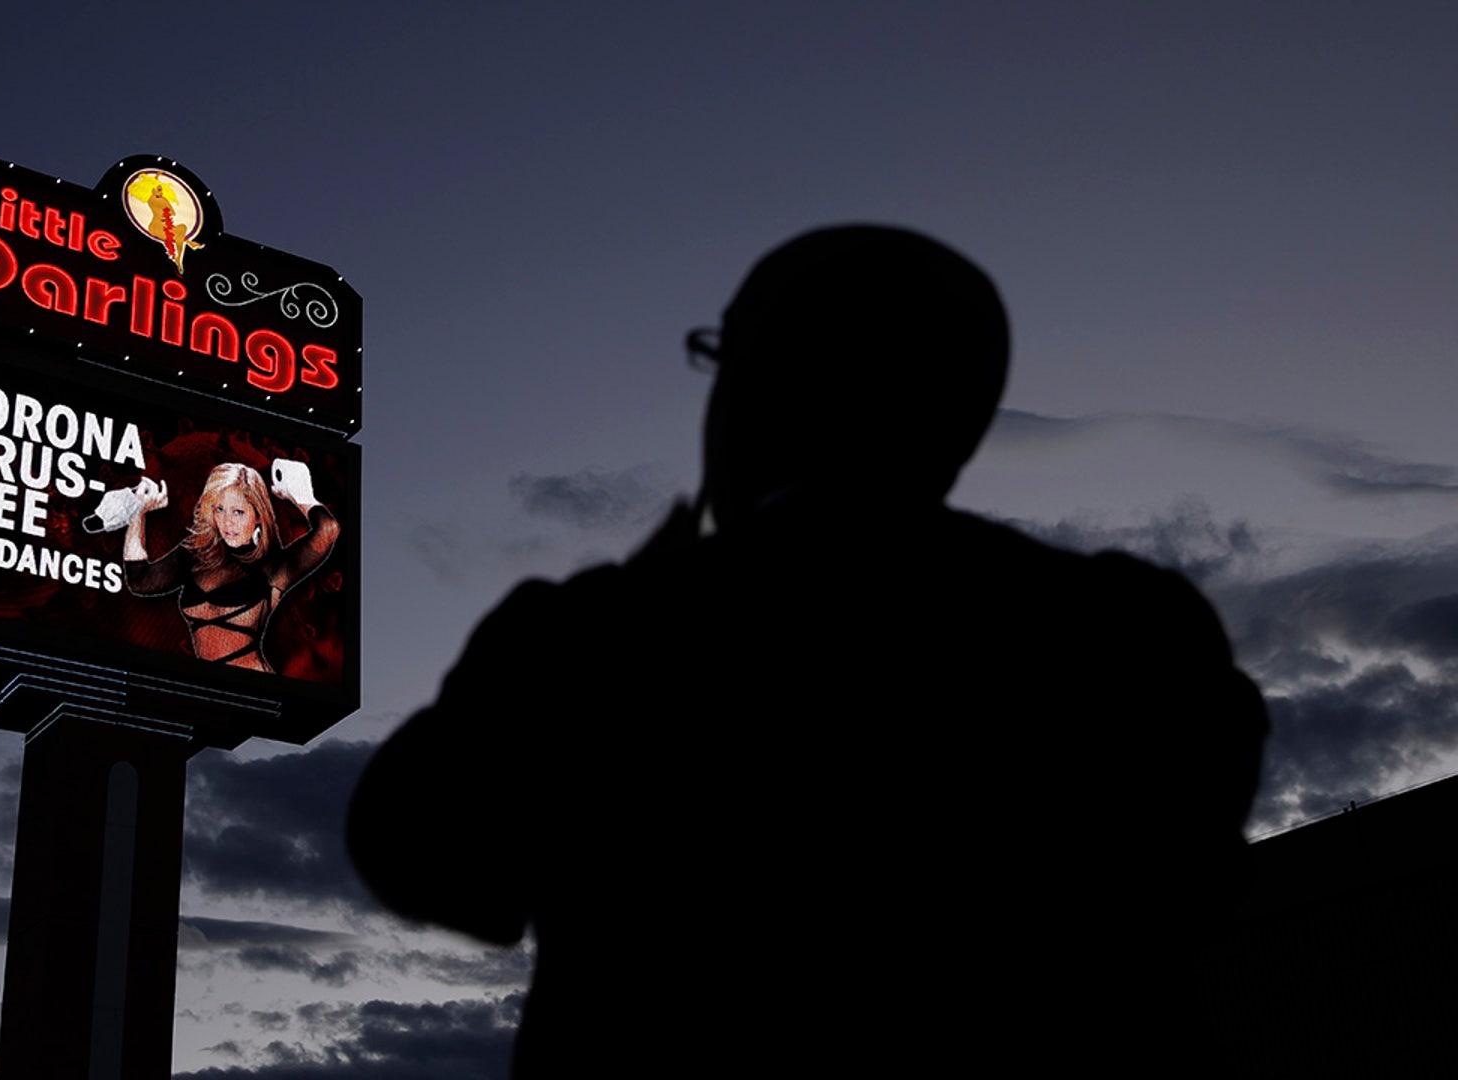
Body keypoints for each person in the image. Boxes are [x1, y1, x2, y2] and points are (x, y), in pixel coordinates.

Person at [347, 225, 1268, 1073]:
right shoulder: (1128, 628)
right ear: (956, 418)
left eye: (721, 360)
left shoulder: (592, 635)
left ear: (751, 386)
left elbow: (414, 848)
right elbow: (1199, 894)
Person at [120, 459, 337, 673]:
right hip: (211, 690)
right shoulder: (196, 553)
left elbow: (328, 530)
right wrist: (138, 512)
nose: (227, 522)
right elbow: (140, 580)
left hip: (255, 688)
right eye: (219, 509)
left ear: (259, 515)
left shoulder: (272, 566)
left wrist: (300, 496)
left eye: (238, 512)